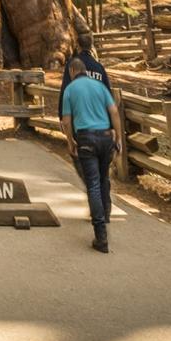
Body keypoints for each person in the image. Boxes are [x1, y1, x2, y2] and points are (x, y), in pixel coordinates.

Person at [60, 56, 124, 254]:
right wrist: (119, 138)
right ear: (85, 71)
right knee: (103, 179)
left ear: (72, 72)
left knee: (93, 184)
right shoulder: (99, 86)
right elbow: (114, 112)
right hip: (106, 138)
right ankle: (105, 214)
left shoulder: (70, 90)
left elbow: (67, 120)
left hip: (86, 139)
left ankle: (101, 235)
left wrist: (71, 142)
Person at [56, 25, 112, 116]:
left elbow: (65, 89)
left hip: (78, 114)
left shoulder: (72, 65)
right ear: (91, 47)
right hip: (98, 114)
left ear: (78, 46)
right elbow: (107, 93)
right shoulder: (99, 67)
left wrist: (61, 115)